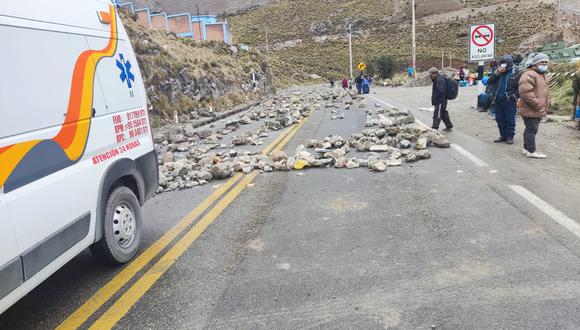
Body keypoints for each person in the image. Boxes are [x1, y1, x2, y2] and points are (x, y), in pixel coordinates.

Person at [517, 53, 550, 159]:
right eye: (542, 62)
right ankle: (531, 150)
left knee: (530, 129)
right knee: (532, 129)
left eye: (546, 62)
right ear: (535, 63)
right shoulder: (529, 74)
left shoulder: (542, 74)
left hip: (535, 108)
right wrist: (537, 104)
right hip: (531, 108)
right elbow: (525, 92)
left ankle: (526, 149)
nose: (544, 64)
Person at [488, 54, 519, 145]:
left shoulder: (515, 71)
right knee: (499, 118)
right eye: (502, 63)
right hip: (497, 99)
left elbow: (520, 86)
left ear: (510, 64)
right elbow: (489, 82)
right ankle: (503, 136)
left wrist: (515, 96)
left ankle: (510, 136)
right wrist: (497, 73)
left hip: (510, 99)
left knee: (510, 119)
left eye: (505, 63)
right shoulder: (497, 70)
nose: (503, 65)